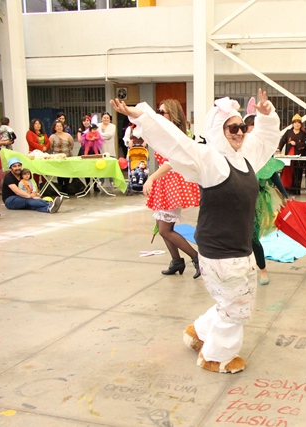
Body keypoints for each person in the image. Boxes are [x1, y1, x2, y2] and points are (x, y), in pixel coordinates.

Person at [110, 88, 280, 374]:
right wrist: (143, 116)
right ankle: (216, 357)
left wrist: (266, 116)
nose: (240, 132)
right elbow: (175, 142)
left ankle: (198, 333)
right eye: (232, 128)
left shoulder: (244, 158)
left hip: (237, 249)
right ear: (218, 130)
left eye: (241, 126)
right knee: (237, 305)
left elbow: (264, 140)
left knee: (231, 300)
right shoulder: (210, 160)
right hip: (220, 251)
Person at [142, 100, 202, 279]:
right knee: (161, 225)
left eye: (163, 112)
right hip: (165, 182)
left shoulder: (175, 135)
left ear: (172, 115)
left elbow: (171, 162)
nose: (159, 114)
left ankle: (196, 258)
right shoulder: (165, 132)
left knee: (165, 229)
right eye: (158, 111)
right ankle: (176, 261)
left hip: (172, 182)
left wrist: (151, 178)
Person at [245, 113, 287, 286]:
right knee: (238, 236)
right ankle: (243, 267)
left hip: (256, 199)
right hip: (238, 198)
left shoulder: (263, 154)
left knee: (253, 236)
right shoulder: (238, 152)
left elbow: (274, 176)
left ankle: (262, 268)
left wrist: (284, 195)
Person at [277, 114, 306, 195]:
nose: (297, 124)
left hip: (298, 157)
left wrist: (296, 144)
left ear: (301, 124)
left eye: (298, 123)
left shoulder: (304, 134)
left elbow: (305, 144)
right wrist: (278, 149)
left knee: (297, 172)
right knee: (287, 171)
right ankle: (286, 188)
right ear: (292, 124)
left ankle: (296, 189)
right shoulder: (288, 132)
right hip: (289, 156)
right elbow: (282, 141)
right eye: (295, 123)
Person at [49, 120, 75, 193]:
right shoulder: (52, 137)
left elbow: (72, 145)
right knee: (59, 174)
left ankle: (67, 188)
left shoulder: (68, 135)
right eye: (57, 126)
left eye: (60, 126)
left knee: (67, 173)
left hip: (67, 158)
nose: (59, 127)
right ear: (55, 128)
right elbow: (51, 147)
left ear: (62, 127)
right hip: (58, 159)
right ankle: (60, 189)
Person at [0, 117, 17, 194]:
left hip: (1, 152)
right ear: (8, 123)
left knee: (2, 170)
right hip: (7, 151)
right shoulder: (9, 129)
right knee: (6, 168)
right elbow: (13, 138)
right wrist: (6, 142)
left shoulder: (0, 130)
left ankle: (2, 188)